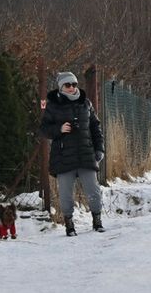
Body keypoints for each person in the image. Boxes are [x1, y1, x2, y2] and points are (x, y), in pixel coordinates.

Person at [40, 71, 105, 236]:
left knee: (93, 190)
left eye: (74, 84)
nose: (71, 88)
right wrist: (59, 129)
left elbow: (95, 128)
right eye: (67, 85)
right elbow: (44, 129)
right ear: (61, 87)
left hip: (86, 153)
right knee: (65, 194)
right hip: (63, 156)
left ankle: (97, 221)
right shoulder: (53, 105)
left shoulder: (86, 104)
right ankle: (69, 225)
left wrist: (99, 149)